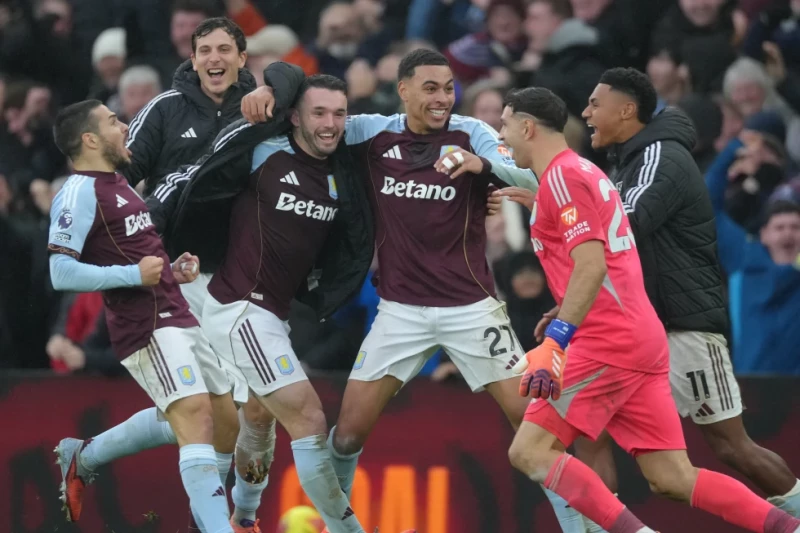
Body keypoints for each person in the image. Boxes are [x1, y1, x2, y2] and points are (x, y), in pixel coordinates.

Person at [240, 49, 596, 533]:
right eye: (430, 88)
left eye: (448, 88)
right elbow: (313, 119)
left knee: (535, 429)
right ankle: (334, 528)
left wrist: (481, 165)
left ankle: (582, 529)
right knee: (345, 437)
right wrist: (271, 91)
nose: (442, 98)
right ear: (403, 90)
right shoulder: (371, 132)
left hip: (472, 310)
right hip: (400, 312)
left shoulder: (472, 133)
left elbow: (531, 174)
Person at [495, 85, 800, 533]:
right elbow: (609, 260)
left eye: (504, 125)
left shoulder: (563, 179)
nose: (501, 136)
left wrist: (557, 339)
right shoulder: (584, 173)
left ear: (527, 127)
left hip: (606, 342)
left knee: (529, 451)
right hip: (641, 338)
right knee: (672, 477)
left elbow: (593, 264)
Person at [51, 20, 292, 533]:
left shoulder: (264, 106)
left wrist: (273, 83)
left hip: (241, 279)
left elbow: (303, 85)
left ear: (242, 57)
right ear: (193, 57)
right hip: (181, 281)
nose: (214, 58)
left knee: (231, 412)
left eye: (224, 49)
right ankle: (219, 522)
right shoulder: (164, 109)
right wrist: (139, 261)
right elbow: (115, 180)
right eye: (204, 50)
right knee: (199, 410)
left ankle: (91, 456)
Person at [47, 100, 235, 533]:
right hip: (145, 324)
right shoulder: (78, 192)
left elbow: (131, 251)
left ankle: (86, 455)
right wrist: (133, 275)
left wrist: (170, 270)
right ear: (90, 139)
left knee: (226, 421)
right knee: (194, 416)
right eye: (114, 121)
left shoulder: (119, 183)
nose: (126, 126)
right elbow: (60, 271)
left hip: (175, 309)